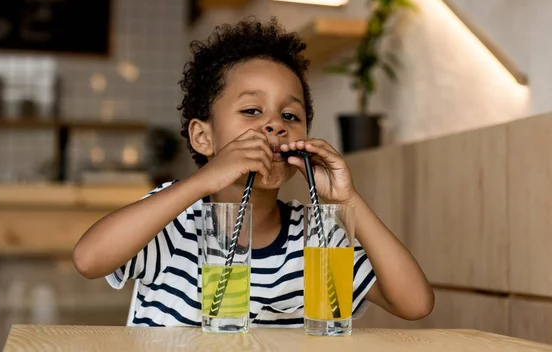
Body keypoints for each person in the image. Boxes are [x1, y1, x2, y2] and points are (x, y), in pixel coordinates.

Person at [72, 17, 434, 327]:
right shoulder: (175, 220)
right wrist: (204, 181)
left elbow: (414, 304)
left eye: (290, 116)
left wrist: (347, 199)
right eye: (251, 111)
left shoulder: (317, 237)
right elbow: (89, 260)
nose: (275, 125)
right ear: (203, 137)